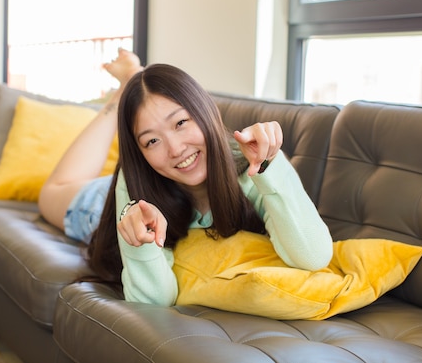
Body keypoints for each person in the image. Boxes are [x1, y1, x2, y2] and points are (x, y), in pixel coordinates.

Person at [39, 49, 333, 306]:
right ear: (139, 152)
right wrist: (139, 241)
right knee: (52, 192)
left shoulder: (251, 167)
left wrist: (271, 164)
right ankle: (125, 89)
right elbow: (152, 302)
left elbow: (314, 256)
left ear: (204, 111)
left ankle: (132, 81)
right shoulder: (134, 186)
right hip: (106, 204)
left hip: (162, 181)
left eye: (180, 122)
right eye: (151, 141)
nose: (176, 149)